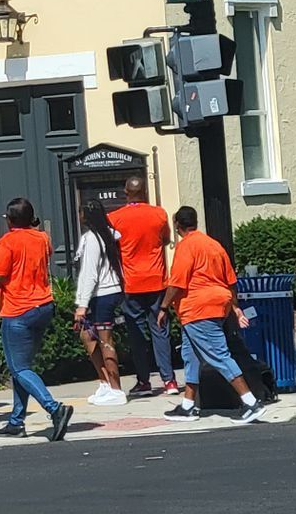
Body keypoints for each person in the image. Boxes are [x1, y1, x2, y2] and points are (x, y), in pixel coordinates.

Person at [0, 198, 71, 442]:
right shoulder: (42, 238)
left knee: (19, 368)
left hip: (18, 309)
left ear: (10, 220)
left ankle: (53, 408)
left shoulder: (7, 242)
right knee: (23, 367)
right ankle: (16, 421)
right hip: (43, 305)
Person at [159, 206, 263, 424]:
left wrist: (163, 307)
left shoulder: (186, 246)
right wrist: (234, 306)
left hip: (197, 308)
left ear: (177, 225)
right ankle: (188, 406)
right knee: (191, 355)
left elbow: (176, 282)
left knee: (219, 355)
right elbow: (231, 280)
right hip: (216, 304)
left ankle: (251, 402)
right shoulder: (214, 245)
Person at [107, 176, 180, 395]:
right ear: (145, 191)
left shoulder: (115, 218)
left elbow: (113, 247)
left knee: (136, 334)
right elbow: (165, 240)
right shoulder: (159, 214)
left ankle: (143, 380)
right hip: (157, 280)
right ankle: (169, 381)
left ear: (126, 192)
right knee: (160, 331)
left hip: (131, 283)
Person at [74, 205, 126, 407]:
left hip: (102, 293)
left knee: (105, 340)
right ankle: (105, 382)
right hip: (108, 292)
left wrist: (82, 305)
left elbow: (90, 273)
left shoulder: (92, 239)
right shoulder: (111, 235)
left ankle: (116, 389)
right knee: (87, 335)